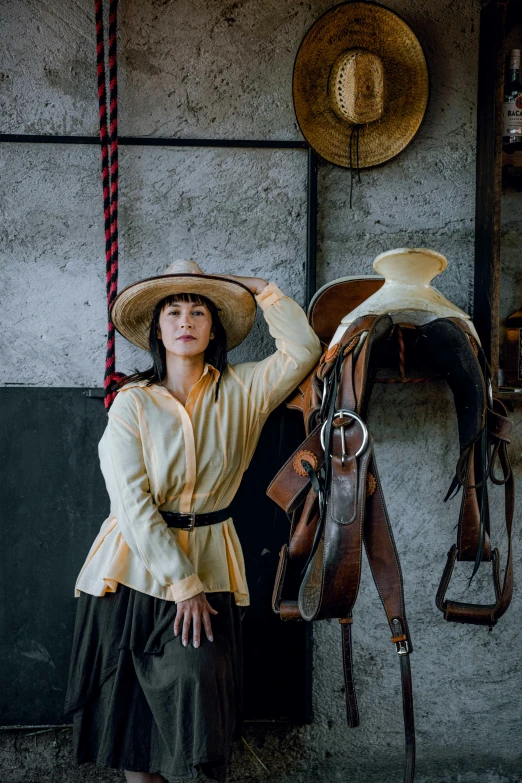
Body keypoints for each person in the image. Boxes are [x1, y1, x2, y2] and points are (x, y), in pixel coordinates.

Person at [63, 259, 322, 783]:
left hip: (211, 566)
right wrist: (182, 585)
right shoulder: (131, 405)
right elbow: (131, 505)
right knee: (135, 735)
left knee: (201, 715)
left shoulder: (245, 390)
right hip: (129, 574)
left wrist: (259, 290)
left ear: (213, 327)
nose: (186, 321)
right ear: (157, 329)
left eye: (199, 311)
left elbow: (304, 351)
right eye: (174, 312)